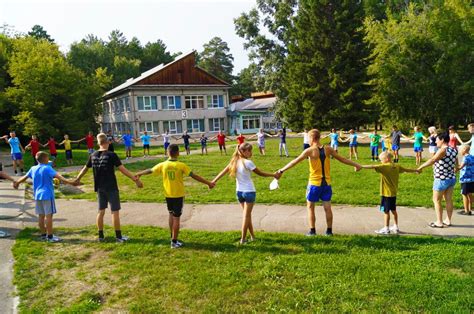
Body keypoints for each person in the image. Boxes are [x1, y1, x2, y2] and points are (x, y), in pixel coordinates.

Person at [277, 129, 362, 236]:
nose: (307, 140)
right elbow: (343, 159)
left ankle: (312, 231)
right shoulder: (328, 149)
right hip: (326, 184)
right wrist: (356, 164)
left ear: (312, 138)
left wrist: (281, 171)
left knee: (310, 207)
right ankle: (329, 231)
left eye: (308, 138)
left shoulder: (310, 150)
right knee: (327, 208)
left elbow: (294, 162)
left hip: (314, 184)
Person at [136, 144, 214, 248]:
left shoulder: (163, 164)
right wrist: (208, 183)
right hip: (178, 195)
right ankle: (174, 241)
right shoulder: (181, 165)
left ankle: (172, 236)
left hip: (168, 195)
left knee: (171, 214)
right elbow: (194, 176)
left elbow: (150, 170)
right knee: (176, 218)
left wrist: (140, 173)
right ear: (177, 153)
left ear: (168, 153)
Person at [75, 133, 143, 242]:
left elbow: (84, 169)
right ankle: (118, 237)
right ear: (108, 142)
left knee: (100, 211)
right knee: (114, 212)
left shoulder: (92, 155)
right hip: (111, 187)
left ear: (98, 143)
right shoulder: (111, 155)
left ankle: (101, 236)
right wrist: (136, 180)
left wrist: (77, 179)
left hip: (99, 188)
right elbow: (123, 169)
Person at [212, 143, 280, 244]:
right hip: (249, 192)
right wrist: (274, 175)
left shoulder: (234, 162)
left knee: (247, 215)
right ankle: (243, 239)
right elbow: (260, 173)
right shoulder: (248, 162)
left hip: (239, 192)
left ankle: (252, 236)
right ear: (243, 151)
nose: (251, 152)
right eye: (249, 150)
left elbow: (223, 172)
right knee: (246, 216)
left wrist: (213, 181)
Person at [13, 151, 77, 242]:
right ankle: (50, 237)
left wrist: (17, 183)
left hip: (37, 195)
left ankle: (43, 235)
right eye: (48, 158)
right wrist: (71, 182)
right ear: (45, 159)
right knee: (49, 216)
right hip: (47, 195)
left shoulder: (33, 168)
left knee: (41, 216)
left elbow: (25, 177)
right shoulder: (48, 168)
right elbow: (59, 177)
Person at [358, 151, 419, 234]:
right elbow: (406, 170)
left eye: (381, 160)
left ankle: (386, 228)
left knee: (386, 211)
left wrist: (360, 166)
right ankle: (396, 226)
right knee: (393, 210)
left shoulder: (384, 166)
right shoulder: (396, 166)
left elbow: (372, 166)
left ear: (387, 159)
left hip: (386, 193)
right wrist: (416, 170)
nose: (380, 162)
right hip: (393, 193)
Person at [418, 132, 458, 228]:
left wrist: (421, 167)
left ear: (442, 140)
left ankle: (439, 222)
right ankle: (448, 220)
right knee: (448, 200)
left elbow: (432, 160)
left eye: (437, 139)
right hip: (451, 178)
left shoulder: (442, 150)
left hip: (441, 179)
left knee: (436, 200)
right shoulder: (453, 149)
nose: (435, 141)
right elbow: (456, 164)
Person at [456, 145, 473, 216]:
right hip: (472, 178)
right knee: (470, 194)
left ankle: (466, 210)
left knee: (464, 194)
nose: (459, 152)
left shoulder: (465, 158)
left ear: (464, 150)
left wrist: (455, 167)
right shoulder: (472, 157)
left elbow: (460, 167)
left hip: (465, 179)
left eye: (460, 150)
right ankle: (469, 209)